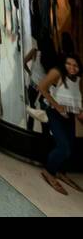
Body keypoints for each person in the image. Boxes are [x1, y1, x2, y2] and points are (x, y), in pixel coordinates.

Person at [37, 53, 83, 195]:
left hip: (69, 115)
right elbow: (41, 88)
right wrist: (57, 106)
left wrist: (79, 112)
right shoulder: (57, 73)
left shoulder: (78, 79)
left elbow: (76, 98)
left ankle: (60, 171)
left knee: (70, 147)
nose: (72, 67)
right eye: (68, 64)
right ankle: (49, 171)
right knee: (63, 147)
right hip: (54, 113)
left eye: (75, 65)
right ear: (63, 64)